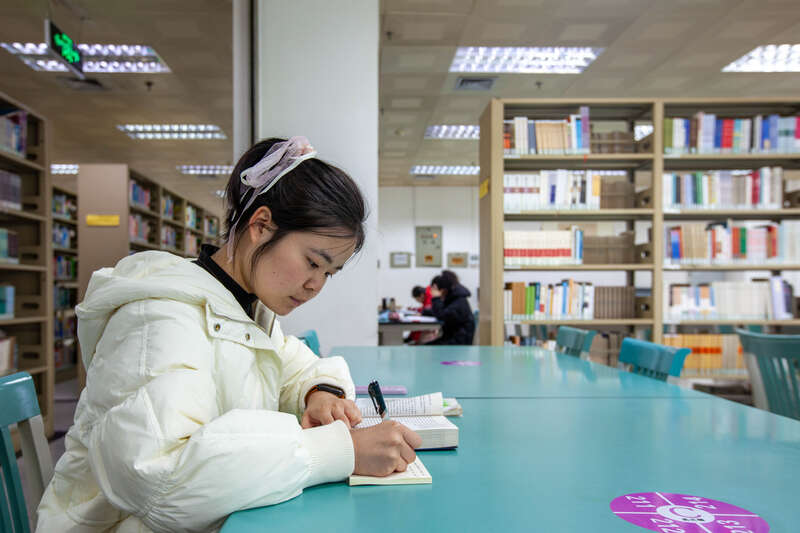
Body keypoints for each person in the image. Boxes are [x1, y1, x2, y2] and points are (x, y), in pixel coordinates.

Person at [37, 137, 422, 532]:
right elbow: (161, 483)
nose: (315, 286)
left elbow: (295, 365)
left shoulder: (246, 306)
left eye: (328, 273)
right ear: (261, 225)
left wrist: (321, 392)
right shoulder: (160, 318)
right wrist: (340, 451)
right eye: (312, 262)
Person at [425, 272, 475, 345]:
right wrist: (424, 312)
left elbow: (441, 315)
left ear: (443, 290)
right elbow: (441, 311)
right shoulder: (454, 298)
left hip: (459, 343)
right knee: (426, 345)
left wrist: (436, 298)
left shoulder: (458, 302)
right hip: (453, 339)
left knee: (425, 348)